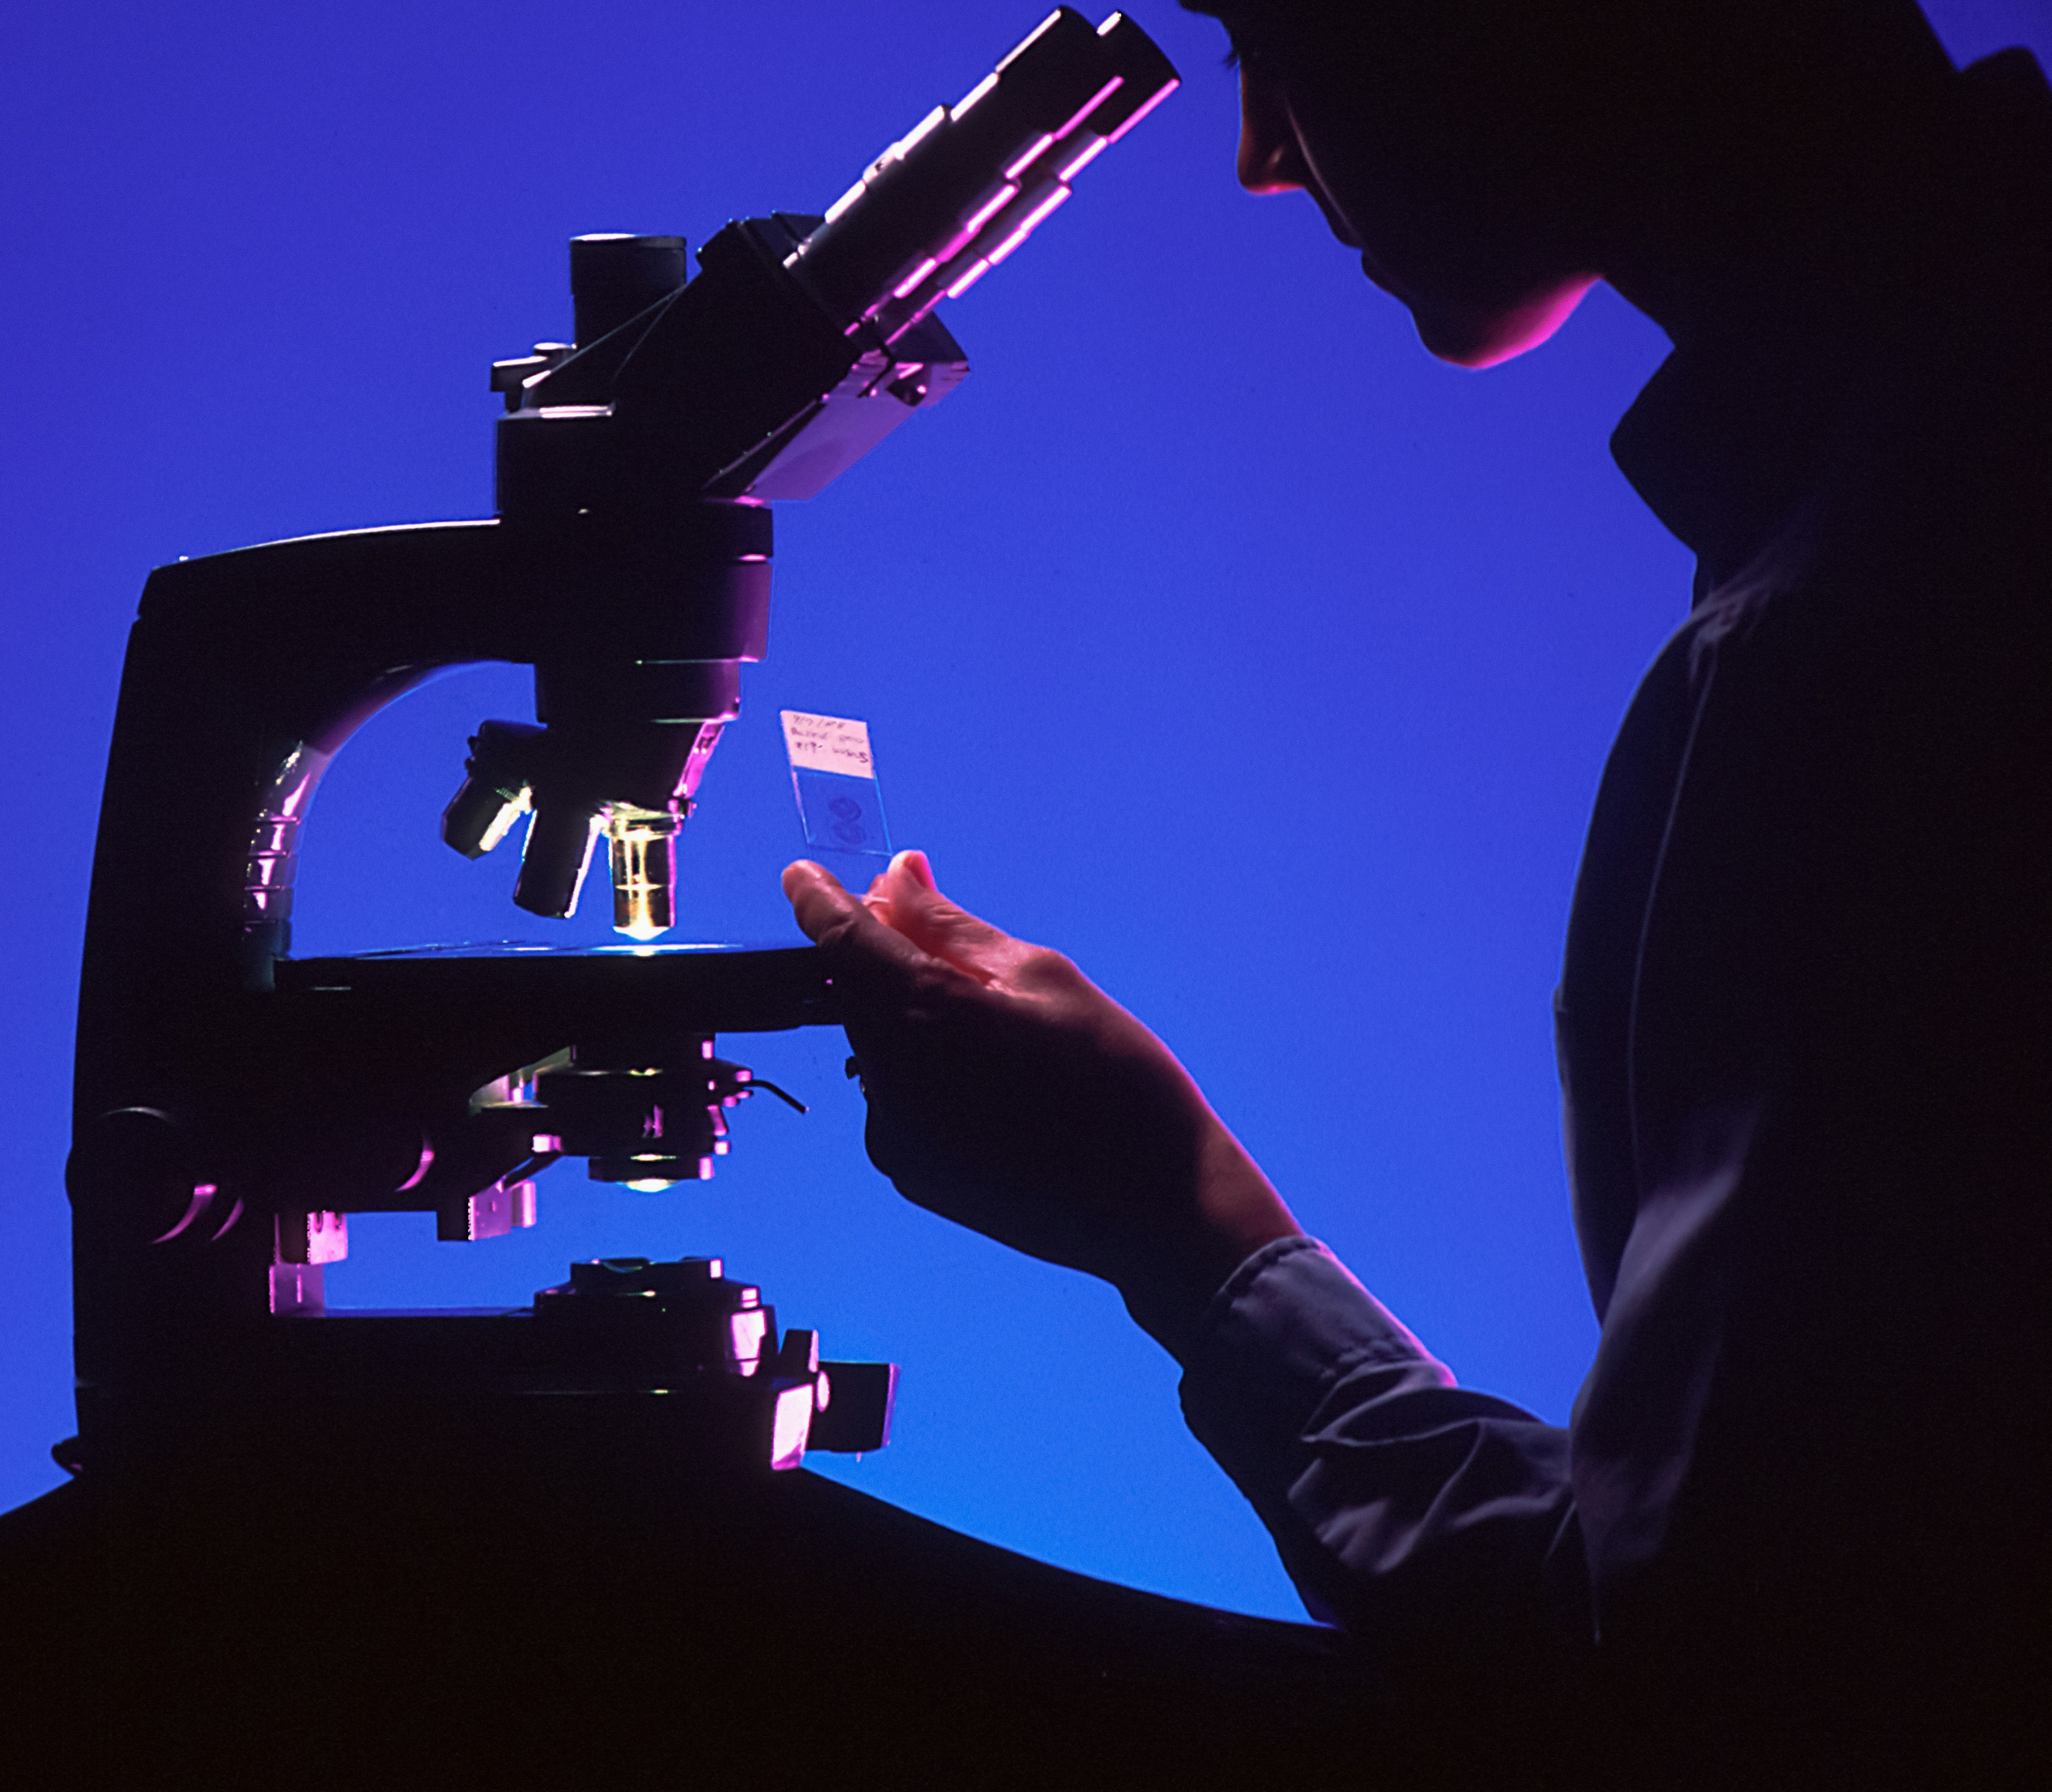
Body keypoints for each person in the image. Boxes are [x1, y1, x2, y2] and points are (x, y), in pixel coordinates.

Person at [783, 1, 2052, 1780]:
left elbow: (1701, 1674)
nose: (1261, 154)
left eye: (1273, 38)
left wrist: (1180, 1221)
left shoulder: (1863, 651)